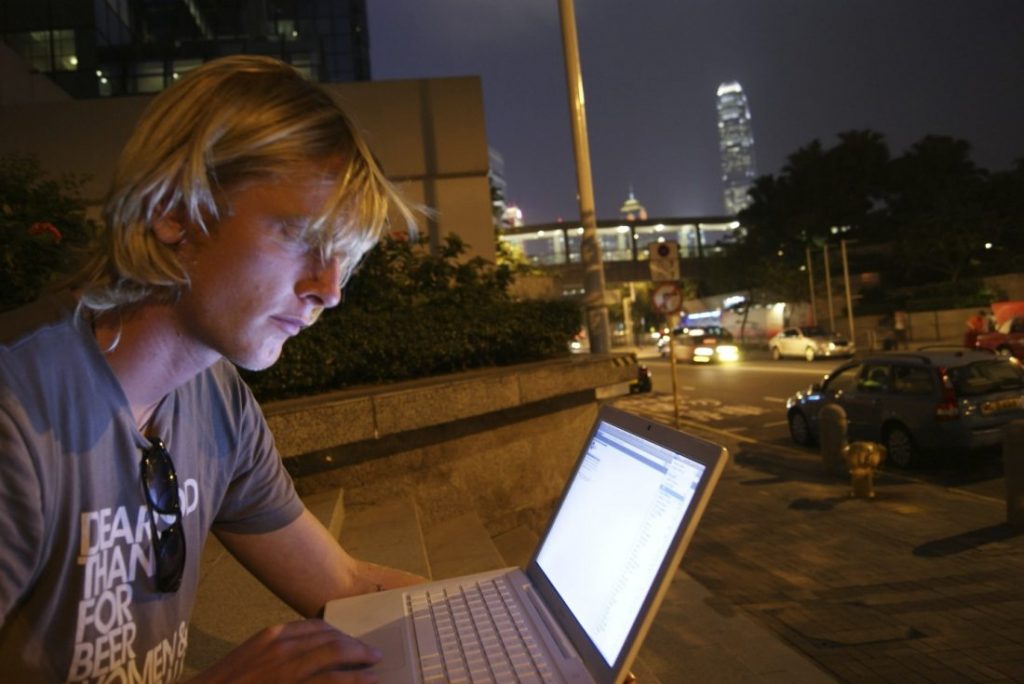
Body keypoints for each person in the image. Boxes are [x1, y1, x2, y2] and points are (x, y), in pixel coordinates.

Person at [0, 56, 427, 682]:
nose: (329, 288)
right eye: (299, 235)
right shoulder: (18, 409)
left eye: (343, 258)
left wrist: (525, 638)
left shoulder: (216, 400)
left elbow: (347, 584)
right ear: (175, 212)